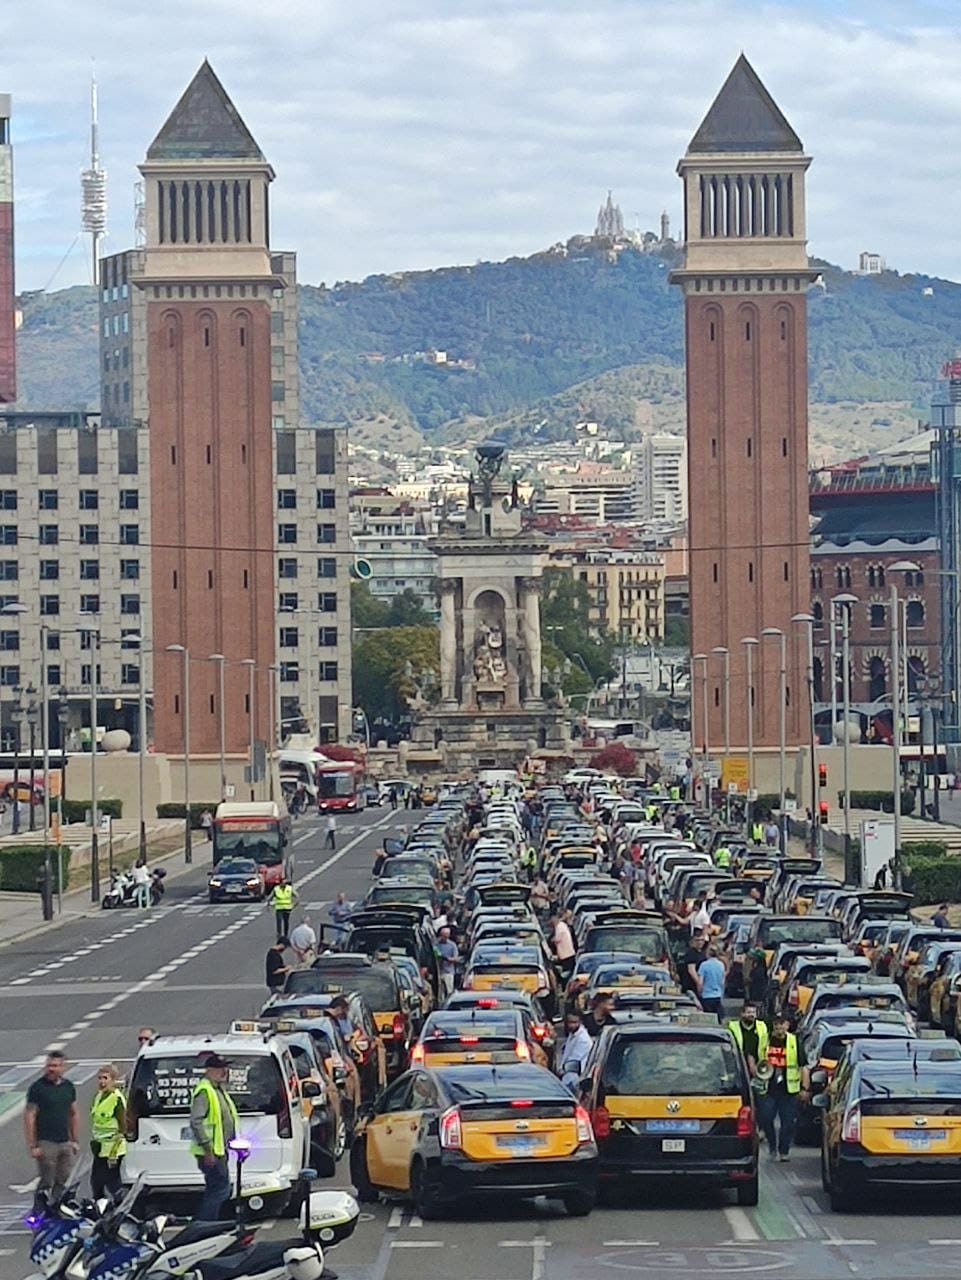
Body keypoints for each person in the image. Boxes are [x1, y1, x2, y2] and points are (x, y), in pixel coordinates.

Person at [24, 1051, 79, 1206]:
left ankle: (57, 1211)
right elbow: (30, 1116)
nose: (51, 1069)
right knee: (47, 1180)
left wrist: (74, 1140)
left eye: (55, 1066)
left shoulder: (68, 1087)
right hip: (45, 1142)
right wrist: (33, 1145)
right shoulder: (37, 1088)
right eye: (49, 1065)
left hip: (64, 1142)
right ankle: (38, 1214)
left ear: (63, 1067)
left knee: (63, 1180)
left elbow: (73, 1113)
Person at [190, 1053, 239, 1222]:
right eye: (219, 1069)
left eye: (225, 1067)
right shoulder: (205, 1091)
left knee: (218, 1189)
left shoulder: (217, 1089)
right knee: (219, 1190)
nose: (224, 1071)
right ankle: (207, 1224)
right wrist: (207, 1149)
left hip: (219, 1150)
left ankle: (212, 1223)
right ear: (209, 1070)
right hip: (210, 1152)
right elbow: (196, 1122)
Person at [758, 1015, 809, 1161]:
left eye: (783, 1025)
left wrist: (804, 1088)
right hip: (768, 1087)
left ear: (787, 1025)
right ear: (773, 1026)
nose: (780, 1029)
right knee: (766, 1118)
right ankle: (772, 1147)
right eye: (777, 1026)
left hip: (788, 1090)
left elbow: (803, 1066)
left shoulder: (794, 1041)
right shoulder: (764, 1040)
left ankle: (784, 1151)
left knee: (788, 1123)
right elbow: (755, 1059)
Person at [89, 1064, 126, 1199]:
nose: (102, 1082)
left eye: (105, 1078)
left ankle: (120, 1206)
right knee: (96, 1182)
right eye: (99, 1078)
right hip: (100, 1147)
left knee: (111, 1182)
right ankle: (101, 1207)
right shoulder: (99, 1096)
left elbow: (123, 1128)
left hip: (112, 1149)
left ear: (113, 1080)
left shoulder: (116, 1099)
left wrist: (114, 1153)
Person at [728, 1002, 768, 1077]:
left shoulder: (762, 1026)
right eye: (749, 1012)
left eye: (754, 1012)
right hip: (739, 1063)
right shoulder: (732, 1026)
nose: (752, 1015)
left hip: (758, 1065)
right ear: (742, 1014)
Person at [560, 1011, 593, 1089]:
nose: (571, 1025)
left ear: (580, 1022)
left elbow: (574, 1059)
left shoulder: (583, 1039)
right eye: (569, 1022)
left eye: (574, 1022)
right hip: (570, 1076)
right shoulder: (572, 1034)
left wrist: (563, 1070)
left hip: (575, 1077)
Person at [698, 945, 727, 1016]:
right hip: (717, 995)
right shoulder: (721, 965)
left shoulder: (704, 965)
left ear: (707, 953)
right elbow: (722, 981)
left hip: (706, 996)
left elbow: (700, 982)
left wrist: (699, 992)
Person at [268, 875, 297, 941]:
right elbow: (270, 897)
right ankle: (279, 935)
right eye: (282, 883)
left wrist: (294, 905)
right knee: (279, 922)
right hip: (279, 908)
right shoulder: (276, 889)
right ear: (280, 883)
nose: (284, 884)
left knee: (286, 922)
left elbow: (297, 897)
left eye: (285, 883)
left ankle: (286, 935)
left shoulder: (289, 889)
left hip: (287, 908)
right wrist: (269, 905)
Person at [551, 911, 576, 981]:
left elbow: (557, 939)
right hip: (568, 954)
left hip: (566, 955)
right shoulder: (562, 925)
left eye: (552, 920)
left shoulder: (559, 926)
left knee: (566, 974)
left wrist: (551, 940)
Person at [436, 926, 459, 999]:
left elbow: (456, 959)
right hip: (438, 971)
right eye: (443, 935)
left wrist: (447, 959)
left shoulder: (452, 945)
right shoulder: (436, 944)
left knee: (449, 991)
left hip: (448, 971)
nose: (444, 937)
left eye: (446, 936)